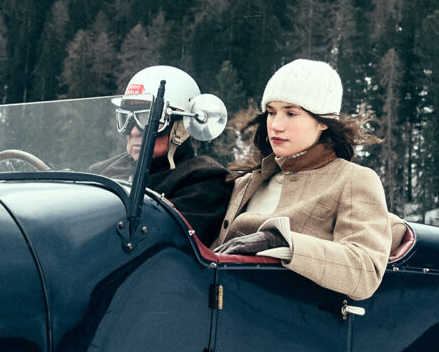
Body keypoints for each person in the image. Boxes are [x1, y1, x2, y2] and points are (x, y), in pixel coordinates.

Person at [211, 59, 395, 300]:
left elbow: (365, 270)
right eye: (271, 112)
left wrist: (280, 242)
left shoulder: (353, 180)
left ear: (322, 121)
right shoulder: (247, 183)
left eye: (291, 113)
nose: (276, 125)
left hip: (290, 324)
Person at [96, 65, 234, 246]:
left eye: (148, 119)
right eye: (127, 119)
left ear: (182, 126)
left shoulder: (204, 181)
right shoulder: (102, 170)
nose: (135, 131)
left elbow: (159, 242)